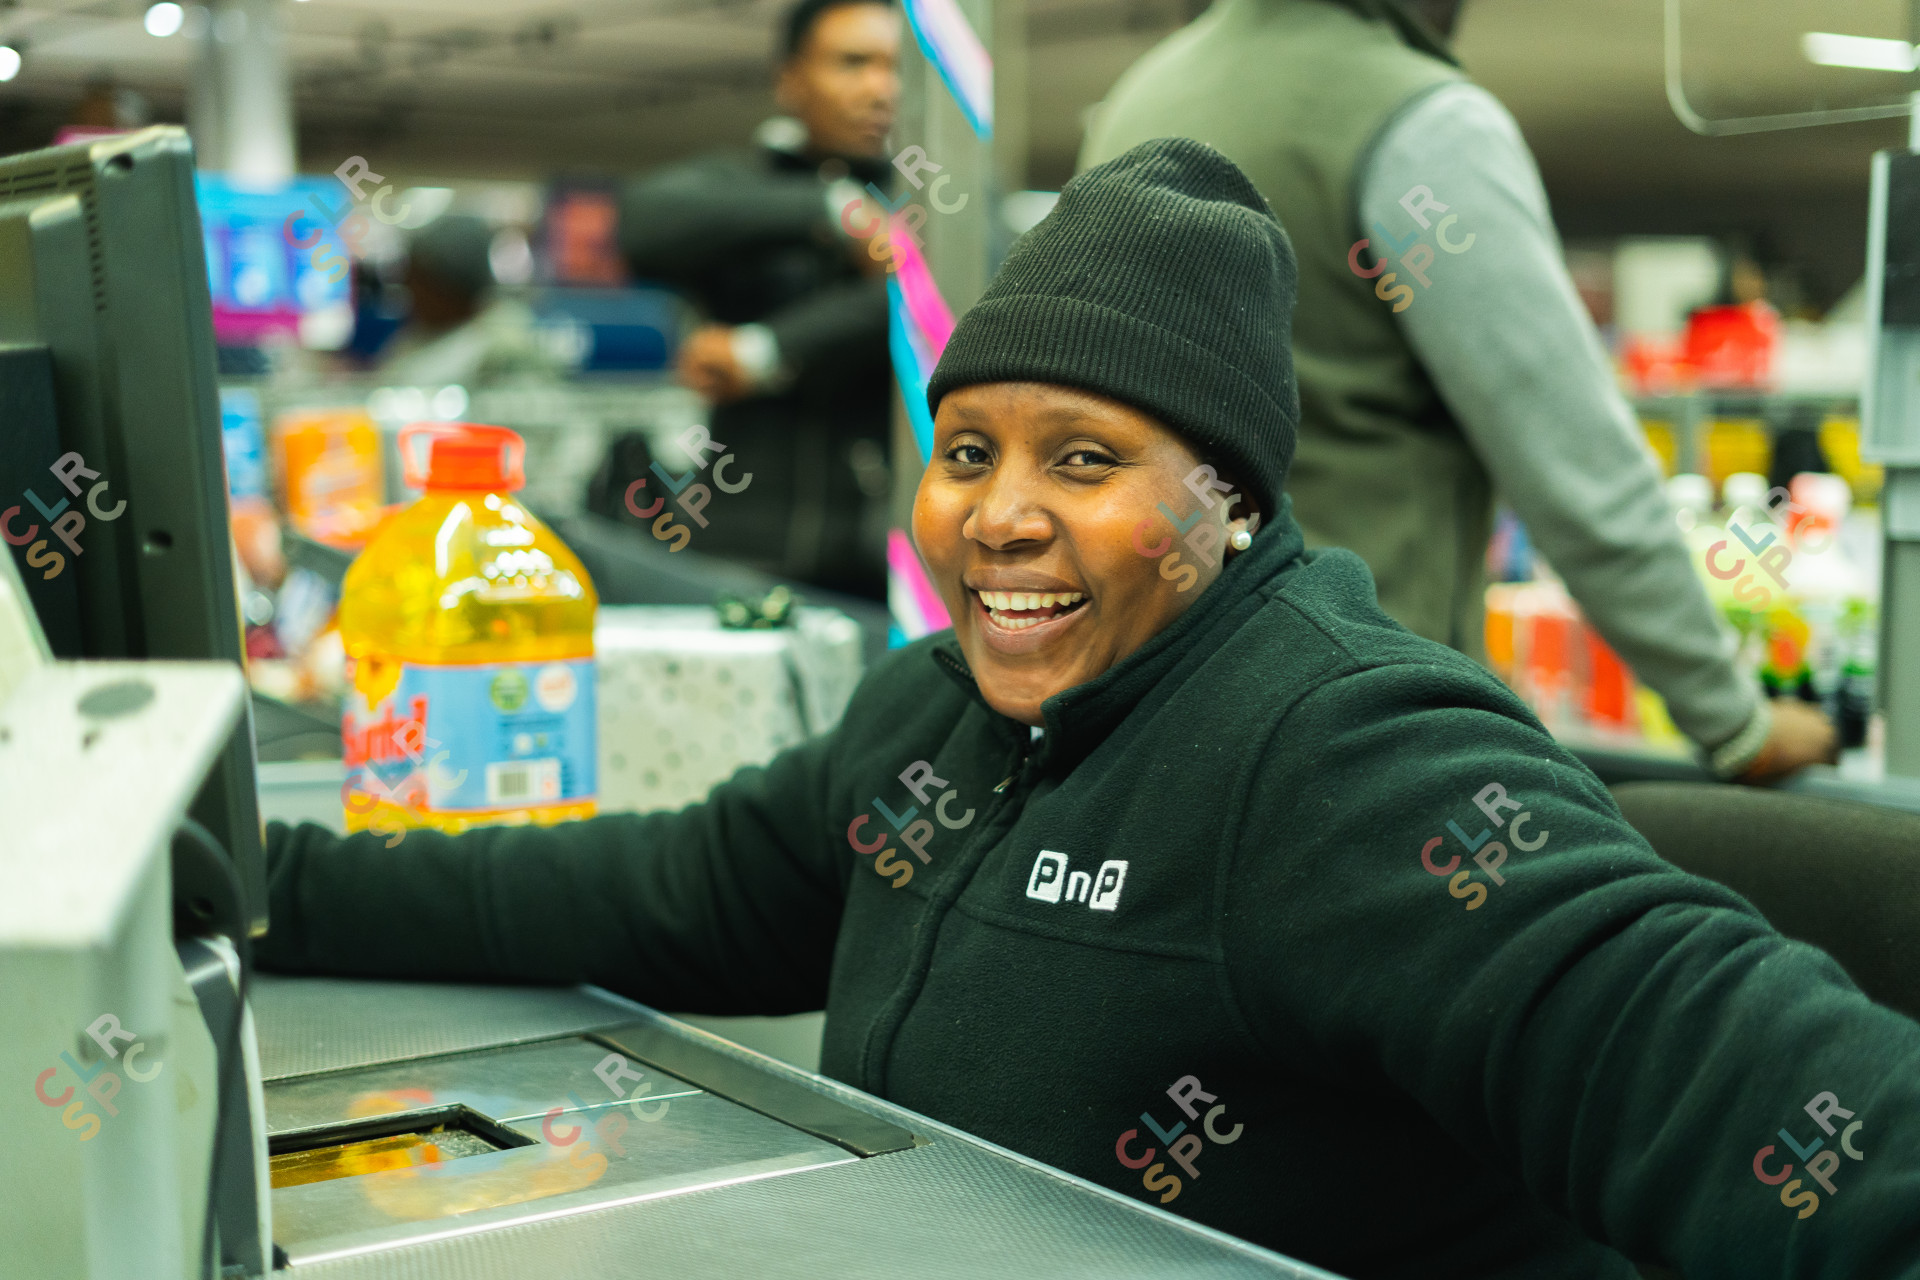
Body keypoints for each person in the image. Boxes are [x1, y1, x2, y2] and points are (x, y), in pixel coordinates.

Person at [258, 141, 1920, 1279]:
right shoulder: (936, 726)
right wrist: (257, 886)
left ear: (1232, 500)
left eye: (1087, 458)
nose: (998, 515)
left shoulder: (1344, 755)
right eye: (968, 450)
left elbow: (1747, 1085)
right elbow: (652, 887)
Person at [1078, 0, 1837, 784]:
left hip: (1146, 712)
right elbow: (1574, 465)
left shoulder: (1139, 101)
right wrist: (1731, 718)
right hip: (1356, 724)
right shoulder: (1418, 123)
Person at [616, 0, 902, 600]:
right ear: (790, 79)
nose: (881, 88)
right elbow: (643, 223)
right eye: (853, 63)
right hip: (736, 541)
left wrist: (767, 350)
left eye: (894, 68)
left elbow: (919, 296)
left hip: (880, 555)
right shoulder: (744, 186)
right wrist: (833, 211)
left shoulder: (933, 202)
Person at [375, 214, 569, 386]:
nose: (409, 288)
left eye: (419, 279)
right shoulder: (419, 335)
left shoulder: (504, 350)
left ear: (450, 286)